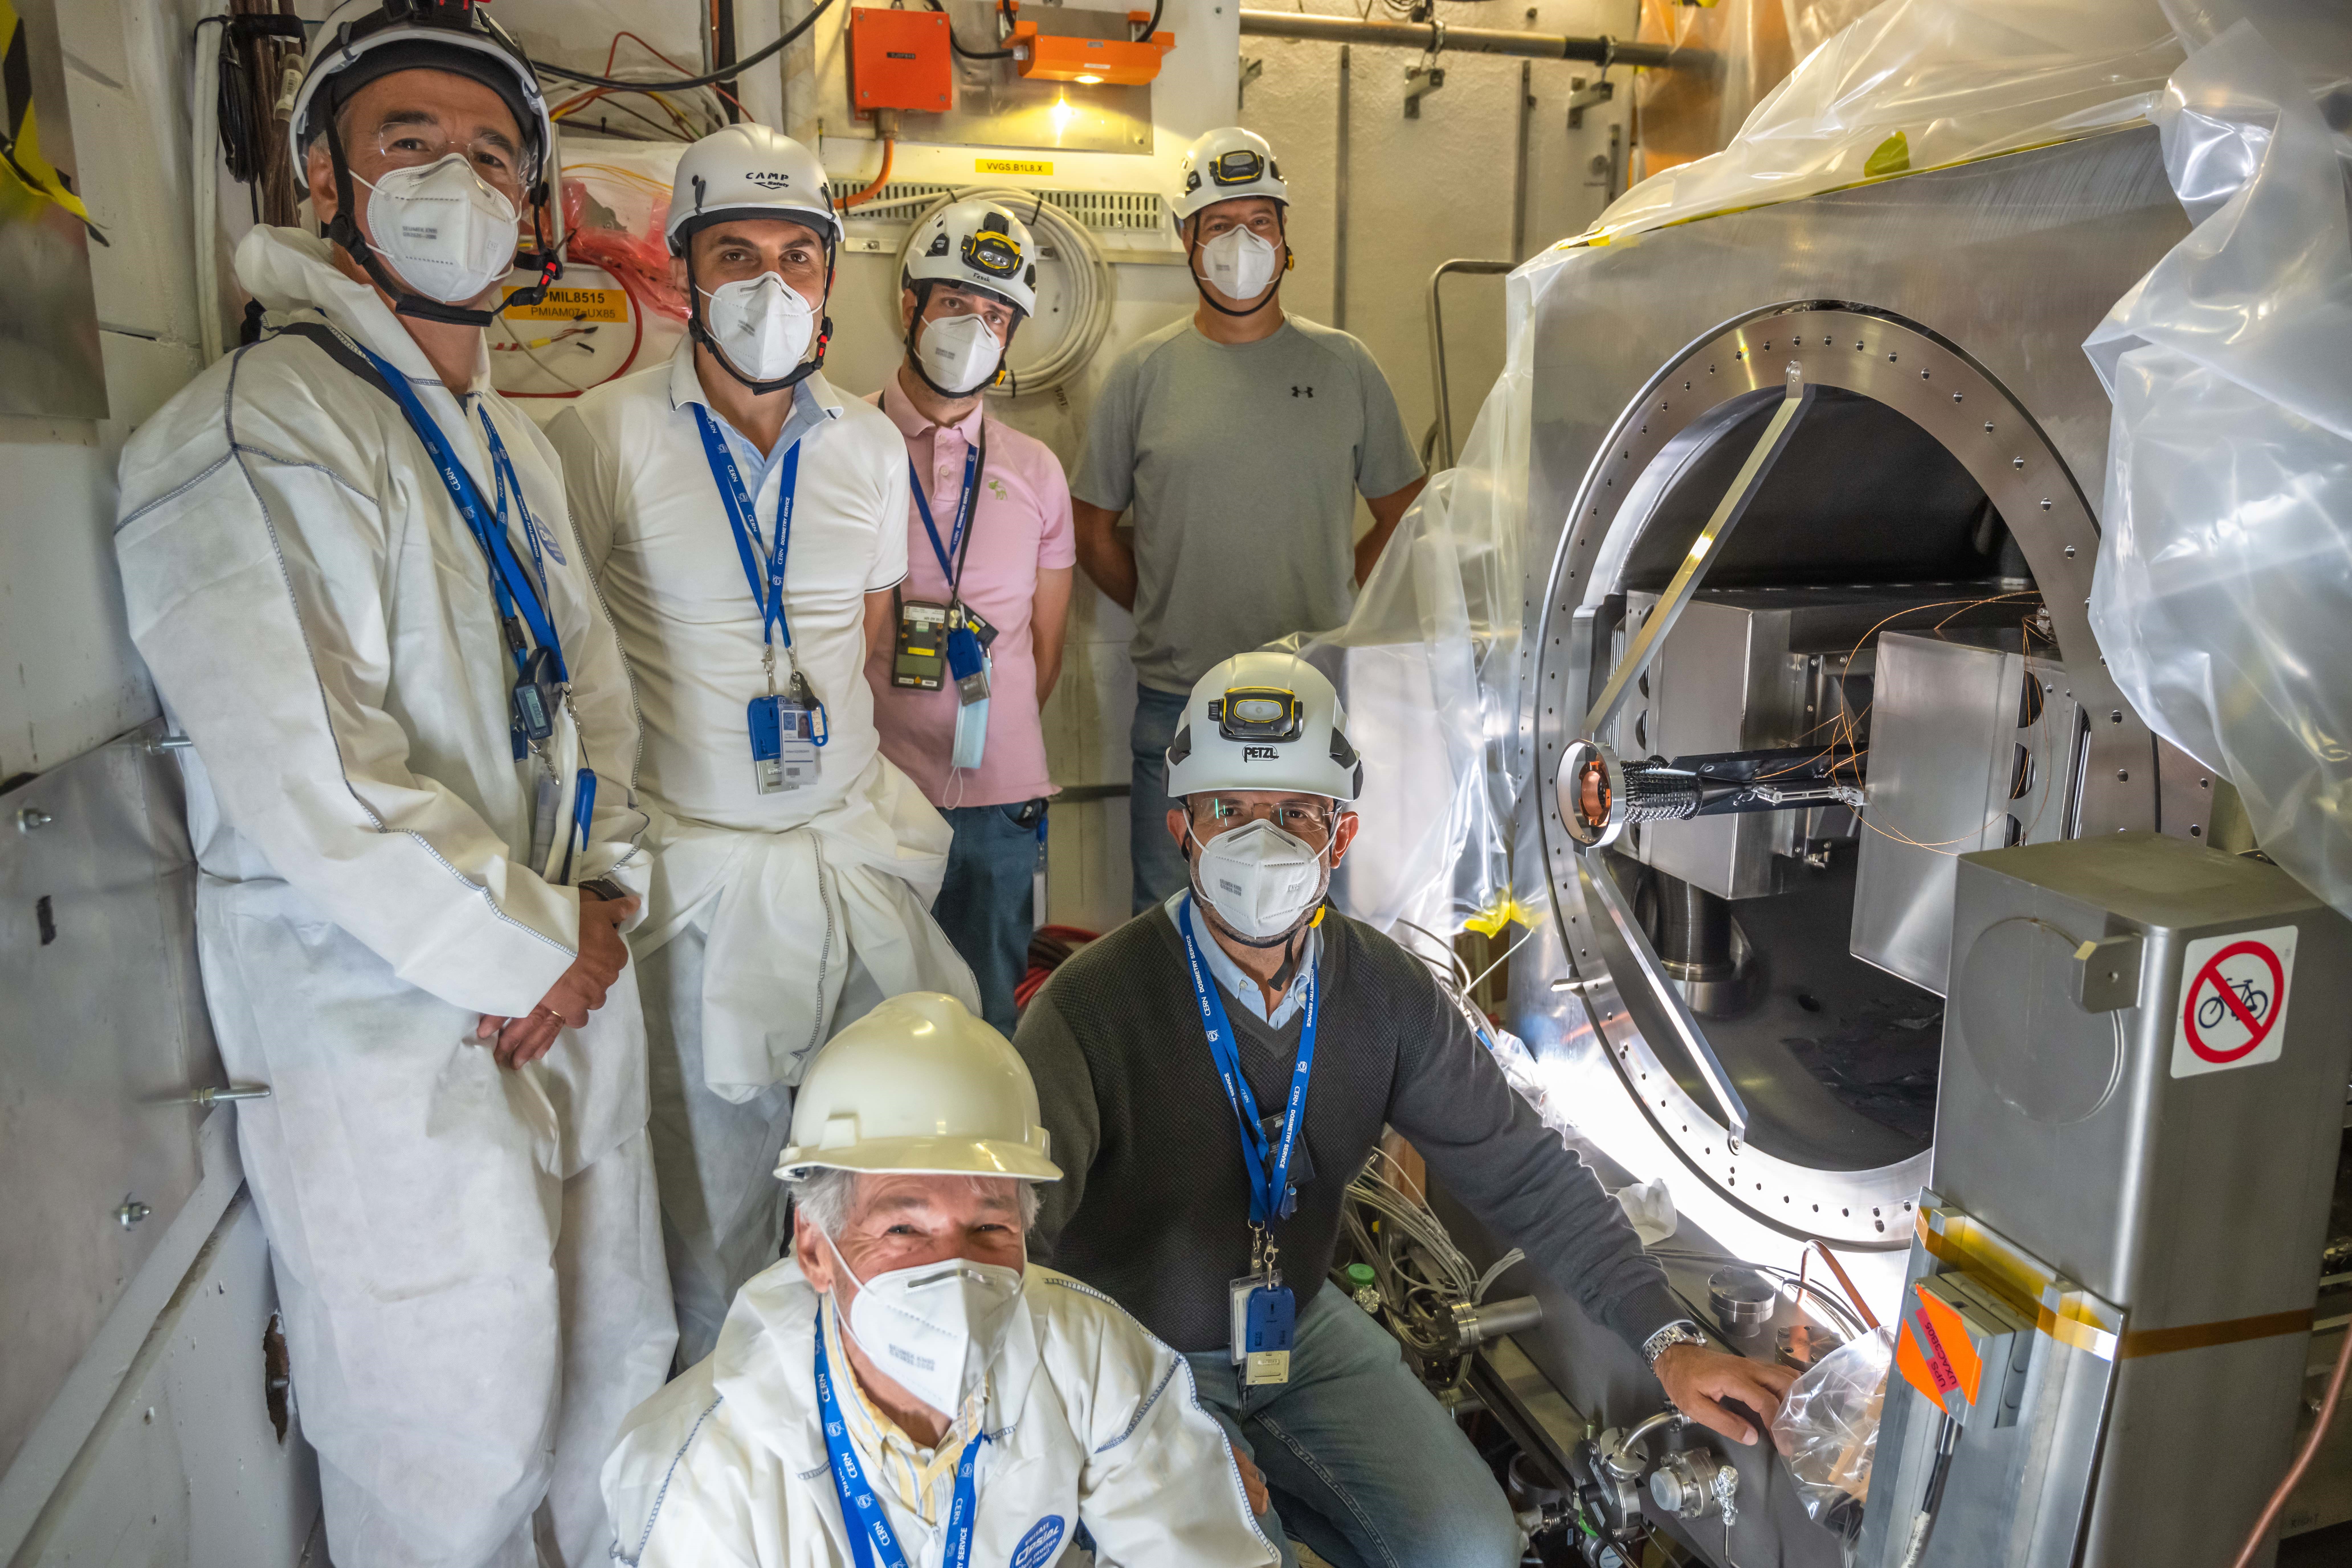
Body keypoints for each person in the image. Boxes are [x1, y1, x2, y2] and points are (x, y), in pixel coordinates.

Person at [112, 4, 675, 1563]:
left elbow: (596, 708)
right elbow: (319, 787)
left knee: (611, 1390)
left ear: (538, 205)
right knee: (451, 1446)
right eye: (409, 143)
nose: (458, 180)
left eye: (495, 153)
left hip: (568, 988)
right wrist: (544, 947)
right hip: (393, 1037)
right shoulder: (251, 429)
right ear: (321, 181)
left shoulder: (508, 442)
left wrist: (608, 898)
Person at [1014, 652, 1798, 1568]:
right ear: (1182, 825)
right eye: (1230, 810)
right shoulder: (1088, 1007)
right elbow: (1009, 1252)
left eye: (1296, 814)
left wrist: (1667, 1340)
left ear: (1340, 836)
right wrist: (1129, 1425)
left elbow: (1526, 1171)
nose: (1261, 842)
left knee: (1471, 1548)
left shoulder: (1384, 991)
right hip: (1136, 1352)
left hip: (1297, 1327)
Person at [546, 124, 979, 1367]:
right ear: (682, 268)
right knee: (716, 1211)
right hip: (701, 885)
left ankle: (885, 1415)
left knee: (893, 1171)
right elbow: (570, 667)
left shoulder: (869, 450)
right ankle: (730, 1462)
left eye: (798, 255)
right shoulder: (602, 436)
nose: (768, 285)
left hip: (851, 857)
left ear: (831, 275)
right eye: (734, 253)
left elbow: (867, 634)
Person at [602, 991, 1281, 1567]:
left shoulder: (1090, 1353)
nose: (955, 1274)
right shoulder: (703, 1476)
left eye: (989, 1229)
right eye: (904, 1230)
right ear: (814, 1248)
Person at [1067, 127, 1427, 910]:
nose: (1243, 243)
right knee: (1171, 927)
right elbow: (1090, 527)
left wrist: (1337, 609)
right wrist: (1166, 605)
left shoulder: (1345, 368)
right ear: (1187, 241)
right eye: (1220, 225)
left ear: (1286, 238)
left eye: (1261, 222)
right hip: (1178, 702)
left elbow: (1404, 510)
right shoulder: (1142, 376)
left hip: (1315, 695)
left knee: (1314, 922)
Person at [862, 199, 1076, 1034]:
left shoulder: (1035, 469)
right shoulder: (845, 441)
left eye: (996, 315)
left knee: (985, 1013)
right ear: (910, 305)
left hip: (997, 797)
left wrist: (985, 723)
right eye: (956, 304)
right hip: (873, 787)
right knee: (875, 1011)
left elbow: (1046, 648)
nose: (974, 329)